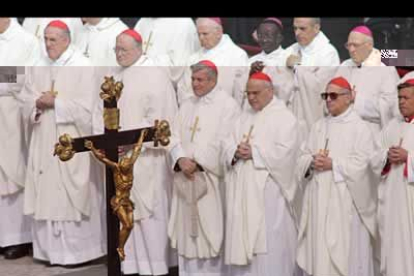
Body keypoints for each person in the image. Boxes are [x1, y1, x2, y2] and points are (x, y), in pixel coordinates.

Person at [92, 28, 178, 276]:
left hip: (147, 159)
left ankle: (156, 269)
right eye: (116, 49)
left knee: (148, 214)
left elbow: (163, 123)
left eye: (124, 50)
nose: (119, 54)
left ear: (140, 49)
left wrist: (131, 142)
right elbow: (100, 113)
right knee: (124, 212)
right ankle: (129, 266)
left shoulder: (155, 76)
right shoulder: (114, 75)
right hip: (119, 159)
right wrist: (107, 141)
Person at [21, 20, 105, 265]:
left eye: (53, 40)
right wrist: (36, 104)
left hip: (71, 141)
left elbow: (89, 109)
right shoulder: (37, 65)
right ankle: (49, 252)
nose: (48, 44)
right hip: (44, 138)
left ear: (67, 40)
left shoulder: (83, 66)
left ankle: (78, 254)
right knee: (45, 188)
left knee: (70, 191)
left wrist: (55, 103)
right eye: (45, 39)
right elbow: (25, 98)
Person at [296, 77, 379, 276]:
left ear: (349, 97)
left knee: (346, 256)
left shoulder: (361, 128)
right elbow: (302, 156)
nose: (328, 100)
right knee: (319, 253)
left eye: (333, 96)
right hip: (318, 198)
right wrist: (311, 161)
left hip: (345, 203)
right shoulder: (318, 126)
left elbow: (365, 165)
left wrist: (334, 164)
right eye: (325, 95)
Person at [223, 71, 301, 276]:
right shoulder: (243, 115)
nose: (251, 98)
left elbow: (287, 154)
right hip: (242, 189)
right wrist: (234, 151)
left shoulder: (284, 117)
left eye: (255, 93)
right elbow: (226, 142)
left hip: (269, 194)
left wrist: (255, 153)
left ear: (270, 91)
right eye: (248, 93)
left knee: (269, 245)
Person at [168, 60, 240, 276]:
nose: (195, 84)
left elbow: (225, 141)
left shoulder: (228, 105)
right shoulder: (187, 104)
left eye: (200, 80)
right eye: (192, 79)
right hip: (184, 177)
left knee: (210, 231)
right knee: (186, 235)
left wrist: (197, 162)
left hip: (210, 180)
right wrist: (180, 158)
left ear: (213, 79)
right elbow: (173, 135)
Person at [0, 18, 39, 259]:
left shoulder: (26, 40)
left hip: (11, 115)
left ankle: (19, 238)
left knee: (13, 173)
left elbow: (25, 76)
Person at [370, 77, 414, 276]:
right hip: (392, 203)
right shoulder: (393, 126)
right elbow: (373, 156)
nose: (401, 102)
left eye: (406, 98)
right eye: (399, 98)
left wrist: (409, 158)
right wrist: (386, 156)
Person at [335, 25, 400, 135]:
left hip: (372, 132)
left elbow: (390, 107)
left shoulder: (385, 68)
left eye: (355, 45)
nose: (351, 50)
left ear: (369, 45)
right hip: (343, 129)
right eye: (348, 45)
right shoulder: (344, 65)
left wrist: (357, 100)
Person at [285, 18, 340, 136]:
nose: (297, 33)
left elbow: (320, 87)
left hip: (313, 114)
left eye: (302, 29)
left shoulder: (328, 53)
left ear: (316, 28)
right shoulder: (292, 49)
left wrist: (297, 67)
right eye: (295, 28)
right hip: (291, 112)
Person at [177, 17, 249, 106]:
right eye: (198, 34)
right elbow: (183, 88)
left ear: (219, 32)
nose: (201, 38)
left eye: (205, 34)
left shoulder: (237, 56)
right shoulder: (194, 58)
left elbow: (240, 91)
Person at [134, 17, 200, 84]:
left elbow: (178, 69)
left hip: (166, 89)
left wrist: (143, 63)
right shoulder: (143, 21)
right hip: (139, 83)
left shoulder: (183, 23)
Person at [249, 17, 292, 103]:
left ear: (279, 38)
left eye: (268, 35)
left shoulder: (289, 58)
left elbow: (289, 91)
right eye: (260, 35)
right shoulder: (252, 60)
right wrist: (251, 73)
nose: (264, 40)